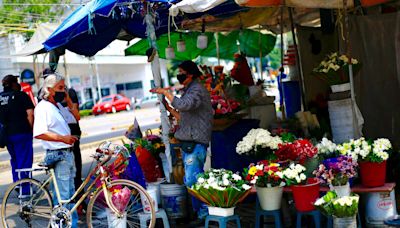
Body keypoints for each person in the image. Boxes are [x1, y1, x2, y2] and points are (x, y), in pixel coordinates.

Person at [151, 60, 213, 225]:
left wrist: (166, 93)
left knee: (193, 181)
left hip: (195, 144)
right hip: (190, 143)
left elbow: (183, 105)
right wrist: (169, 109)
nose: (179, 75)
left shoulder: (197, 90)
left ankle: (204, 214)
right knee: (192, 180)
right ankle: (200, 214)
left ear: (190, 74)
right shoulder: (190, 89)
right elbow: (184, 117)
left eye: (181, 72)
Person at [33, 73, 78, 227]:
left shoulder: (57, 106)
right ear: (49, 89)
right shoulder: (42, 107)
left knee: (71, 195)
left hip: (67, 153)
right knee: (64, 197)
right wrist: (62, 138)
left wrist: (68, 99)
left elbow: (75, 117)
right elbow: (39, 132)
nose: (63, 90)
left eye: (64, 87)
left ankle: (73, 224)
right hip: (58, 153)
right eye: (60, 87)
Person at [0, 75, 34, 189]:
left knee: (15, 159)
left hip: (6, 135)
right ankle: (24, 190)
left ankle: (17, 183)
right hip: (22, 133)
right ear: (14, 84)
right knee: (24, 161)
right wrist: (31, 129)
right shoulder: (21, 95)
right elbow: (30, 114)